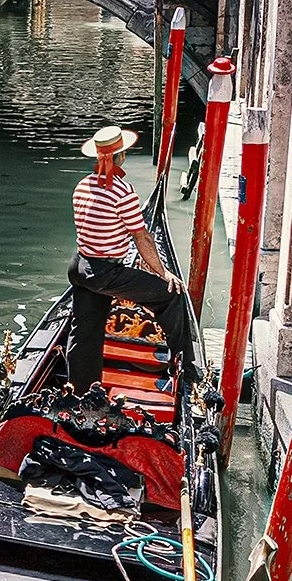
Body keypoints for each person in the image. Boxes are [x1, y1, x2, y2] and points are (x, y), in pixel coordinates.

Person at [66, 124, 197, 391]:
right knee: (171, 294)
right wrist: (163, 272)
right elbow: (142, 237)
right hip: (105, 273)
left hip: (79, 266)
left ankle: (80, 391)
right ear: (120, 156)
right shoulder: (122, 191)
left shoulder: (81, 186)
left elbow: (99, 229)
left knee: (84, 332)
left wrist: (129, 255)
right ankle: (186, 369)